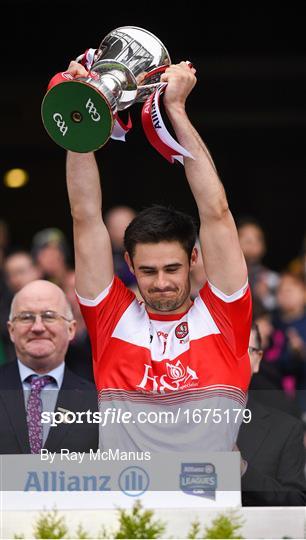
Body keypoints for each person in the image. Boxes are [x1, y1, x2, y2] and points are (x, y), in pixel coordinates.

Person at [65, 60, 252, 453]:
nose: (162, 282)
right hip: (123, 506)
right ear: (129, 265)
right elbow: (85, 220)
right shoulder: (110, 320)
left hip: (207, 507)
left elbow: (216, 212)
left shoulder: (226, 318)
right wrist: (81, 112)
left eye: (172, 268)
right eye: (148, 271)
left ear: (194, 259)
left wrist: (177, 110)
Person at [0, 279, 98, 454]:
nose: (38, 327)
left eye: (49, 316)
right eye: (26, 317)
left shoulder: (98, 402)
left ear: (71, 329)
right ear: (11, 330)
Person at [237, 324, 306, 506]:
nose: (232, 359)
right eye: (221, 349)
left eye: (243, 350)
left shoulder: (285, 429)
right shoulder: (171, 421)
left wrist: (243, 471)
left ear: (257, 360)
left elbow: (296, 503)